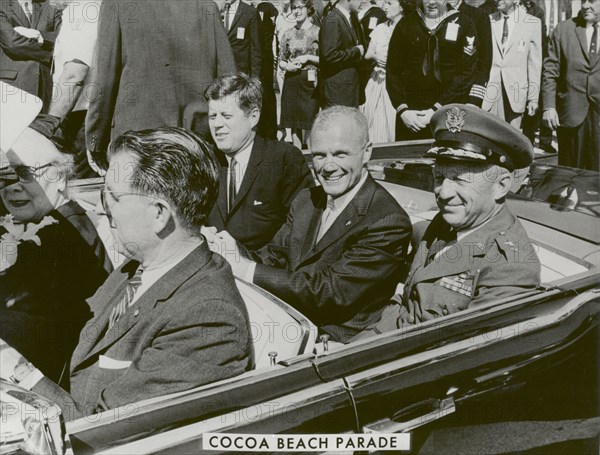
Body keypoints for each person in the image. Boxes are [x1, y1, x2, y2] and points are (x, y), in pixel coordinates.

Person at [1, 127, 254, 421]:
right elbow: (78, 335)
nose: (101, 207)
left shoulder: (208, 320)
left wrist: (16, 368)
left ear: (158, 214)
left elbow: (99, 430)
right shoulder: (138, 267)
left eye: (114, 197)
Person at [205, 107, 412, 343]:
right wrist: (230, 249)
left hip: (339, 343)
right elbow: (273, 257)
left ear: (366, 153)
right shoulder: (307, 200)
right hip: (288, 321)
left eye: (340, 154)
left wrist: (243, 267)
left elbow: (330, 292)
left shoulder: (386, 220)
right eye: (319, 155)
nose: (328, 166)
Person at [373, 104, 540, 331]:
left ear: (501, 186)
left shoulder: (512, 268)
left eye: (461, 179)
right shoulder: (446, 224)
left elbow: (459, 352)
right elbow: (405, 308)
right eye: (440, 176)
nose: (443, 192)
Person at [0, 124, 111, 383]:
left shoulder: (64, 236)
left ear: (60, 177)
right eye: (5, 175)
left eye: (26, 173)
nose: (12, 187)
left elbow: (44, 331)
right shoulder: (61, 221)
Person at [85, 0, 236, 170]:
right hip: (196, 140)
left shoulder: (117, 4)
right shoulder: (206, 5)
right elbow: (228, 80)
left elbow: (105, 78)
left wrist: (95, 140)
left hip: (140, 144)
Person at [205, 73, 313, 250]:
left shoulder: (284, 159)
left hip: (262, 270)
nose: (217, 124)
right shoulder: (204, 160)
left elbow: (301, 229)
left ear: (253, 116)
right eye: (212, 116)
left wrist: (249, 266)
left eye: (226, 115)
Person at [386, 0, 478, 140]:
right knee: (409, 160)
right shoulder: (406, 24)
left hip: (449, 113)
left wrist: (436, 110)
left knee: (446, 159)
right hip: (411, 117)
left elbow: (465, 74)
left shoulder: (465, 24)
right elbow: (393, 71)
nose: (432, 2)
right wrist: (403, 110)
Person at [542, 0, 600, 171]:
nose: (585, 5)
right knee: (569, 173)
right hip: (571, 112)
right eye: (583, 1)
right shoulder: (564, 29)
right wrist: (549, 107)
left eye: (592, 1)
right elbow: (550, 71)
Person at [47, 0, 101, 178]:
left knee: (78, 193)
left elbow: (74, 75)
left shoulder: (81, 11)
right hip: (89, 115)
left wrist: (49, 125)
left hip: (81, 119)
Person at [482, 0, 542, 129]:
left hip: (516, 93)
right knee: (488, 139)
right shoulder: (487, 20)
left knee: (510, 142)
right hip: (490, 92)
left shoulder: (532, 23)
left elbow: (534, 64)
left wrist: (533, 98)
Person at [0, 0, 61, 109]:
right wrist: (50, 53)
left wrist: (40, 36)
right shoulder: (2, 5)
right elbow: (12, 43)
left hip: (45, 86)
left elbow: (63, 39)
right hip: (13, 85)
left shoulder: (51, 7)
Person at [279, 0, 320, 149]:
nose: (297, 11)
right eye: (294, 8)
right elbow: (281, 60)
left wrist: (308, 58)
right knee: (294, 123)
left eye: (300, 7)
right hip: (292, 81)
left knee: (309, 122)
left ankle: (310, 156)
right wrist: (287, 66)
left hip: (310, 82)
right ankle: (298, 158)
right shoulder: (288, 33)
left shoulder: (318, 31)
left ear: (308, 9)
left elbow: (326, 59)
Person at [360, 0, 402, 142]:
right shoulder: (380, 28)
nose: (384, 7)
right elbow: (368, 54)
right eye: (384, 3)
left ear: (401, 6)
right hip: (378, 80)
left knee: (391, 123)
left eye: (389, 3)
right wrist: (377, 58)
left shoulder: (408, 27)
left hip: (397, 82)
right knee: (372, 121)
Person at [319, 0, 365, 107]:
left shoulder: (351, 19)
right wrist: (355, 51)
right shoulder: (333, 20)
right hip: (338, 92)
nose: (363, 1)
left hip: (348, 90)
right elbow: (329, 55)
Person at [447, 0, 493, 107]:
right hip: (438, 94)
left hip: (466, 93)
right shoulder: (435, 15)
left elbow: (484, 60)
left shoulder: (478, 15)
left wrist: (474, 99)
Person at [222, 0, 263, 77]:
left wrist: (255, 77)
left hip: (240, 72)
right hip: (221, 71)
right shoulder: (218, 11)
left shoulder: (250, 12)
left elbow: (256, 47)